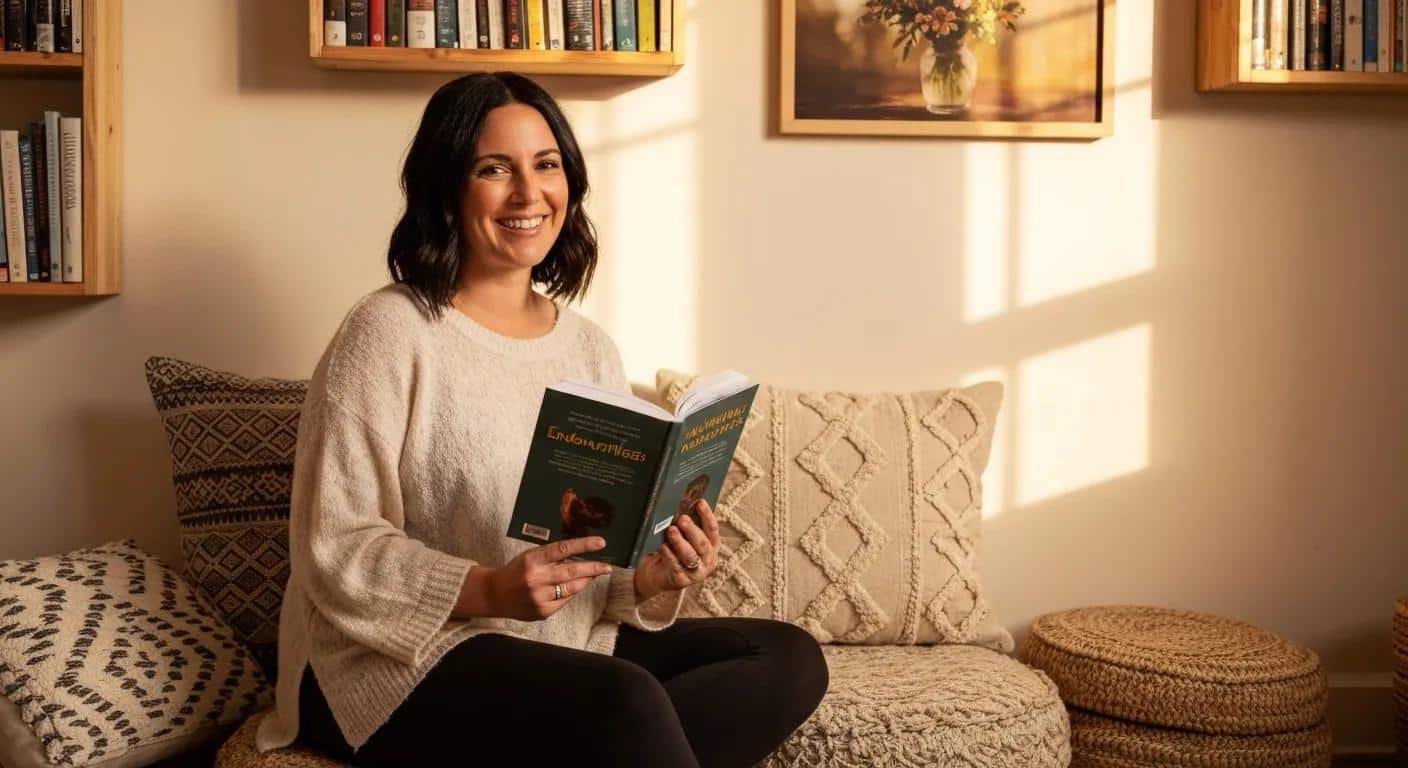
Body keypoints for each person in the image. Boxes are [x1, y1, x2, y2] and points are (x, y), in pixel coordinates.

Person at [255, 72, 828, 767]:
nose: (529, 194)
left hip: (557, 644)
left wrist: (651, 577)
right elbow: (334, 545)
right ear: (448, 186)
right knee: (623, 702)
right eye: (495, 169)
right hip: (393, 658)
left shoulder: (588, 346)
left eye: (546, 165)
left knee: (788, 657)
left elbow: (595, 560)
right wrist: (487, 589)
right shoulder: (389, 330)